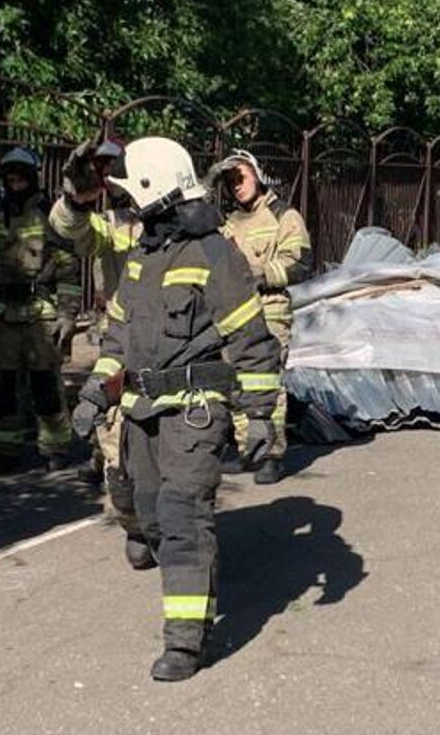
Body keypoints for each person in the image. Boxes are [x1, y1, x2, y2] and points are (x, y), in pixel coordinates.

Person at [71, 136, 282, 681]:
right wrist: (97, 390)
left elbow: (252, 340)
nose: (122, 205)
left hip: (195, 410)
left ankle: (187, 639)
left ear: (154, 189)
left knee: (183, 514)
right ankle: (191, 575)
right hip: (140, 407)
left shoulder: (214, 254)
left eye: (128, 193)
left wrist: (259, 414)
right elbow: (116, 337)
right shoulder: (143, 254)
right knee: (142, 507)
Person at [49, 138, 153, 568]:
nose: (112, 177)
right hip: (120, 348)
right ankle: (134, 525)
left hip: (173, 346)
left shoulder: (179, 218)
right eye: (103, 170)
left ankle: (174, 524)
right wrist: (76, 198)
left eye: (117, 167)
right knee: (117, 449)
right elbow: (71, 231)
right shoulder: (111, 223)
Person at [0, 147, 79, 473]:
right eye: (9, 175)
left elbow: (67, 269)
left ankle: (56, 448)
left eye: (21, 174)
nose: (14, 180)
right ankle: (6, 451)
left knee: (45, 386)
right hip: (3, 316)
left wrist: (67, 314)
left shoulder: (51, 218)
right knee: (2, 387)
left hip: (41, 316)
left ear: (32, 177)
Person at [211, 148, 313, 484]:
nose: (235, 185)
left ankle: (272, 453)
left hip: (270, 310)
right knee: (236, 381)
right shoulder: (229, 223)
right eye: (229, 181)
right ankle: (247, 449)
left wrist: (259, 274)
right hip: (235, 312)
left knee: (267, 380)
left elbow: (299, 264)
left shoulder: (284, 216)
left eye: (240, 177)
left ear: (257, 173)